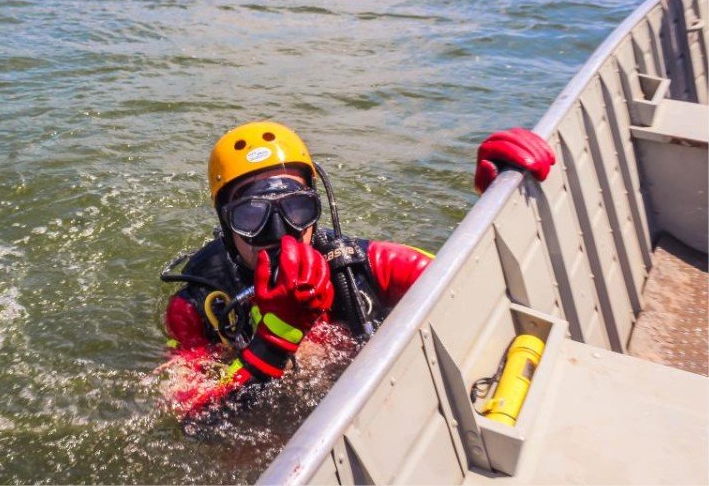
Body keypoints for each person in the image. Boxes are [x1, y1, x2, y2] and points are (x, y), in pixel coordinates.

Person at [160, 122, 554, 419]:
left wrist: (498, 205)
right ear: (227, 226)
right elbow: (192, 418)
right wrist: (273, 342)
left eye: (297, 208)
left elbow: (476, 284)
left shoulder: (365, 266)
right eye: (252, 215)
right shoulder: (199, 304)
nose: (279, 234)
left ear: (317, 205)